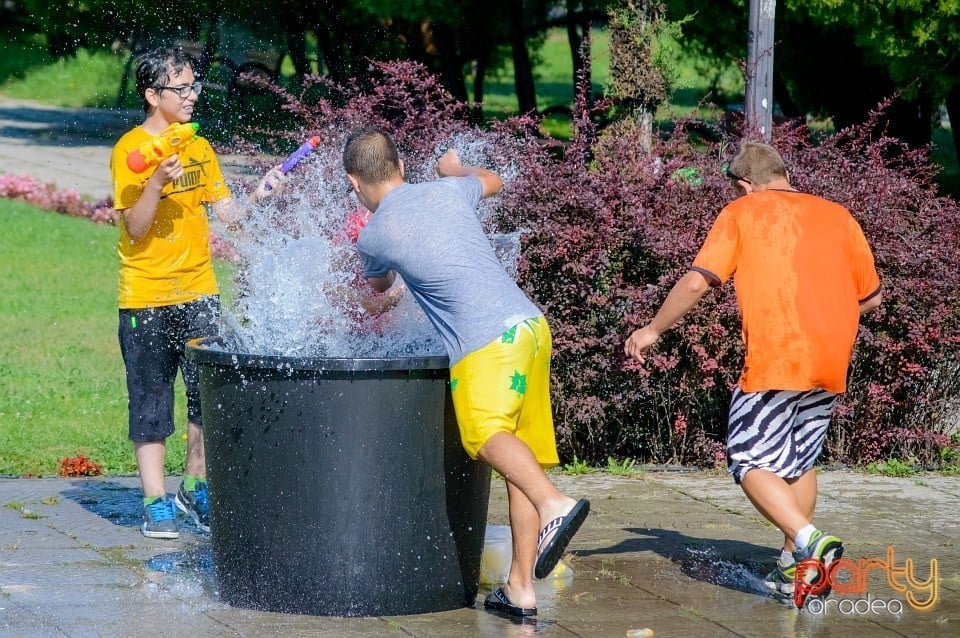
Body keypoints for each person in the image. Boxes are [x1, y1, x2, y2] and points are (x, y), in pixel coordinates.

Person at [343, 127, 590, 618]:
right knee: (520, 458)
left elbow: (378, 288)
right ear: (403, 167)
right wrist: (454, 169)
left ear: (354, 183)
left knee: (485, 438)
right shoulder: (448, 188)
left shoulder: (373, 233)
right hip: (529, 328)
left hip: (484, 344)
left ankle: (554, 505)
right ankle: (520, 587)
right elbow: (493, 180)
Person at [624, 141, 882, 608]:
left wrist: (652, 329)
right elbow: (871, 297)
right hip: (831, 355)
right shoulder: (838, 215)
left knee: (747, 457)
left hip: (779, 354)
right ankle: (797, 568)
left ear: (745, 185)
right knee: (799, 461)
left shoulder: (743, 211)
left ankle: (809, 540)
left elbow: (698, 279)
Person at [110, 46, 281, 540]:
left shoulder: (199, 149)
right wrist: (155, 185)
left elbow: (228, 217)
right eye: (180, 89)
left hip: (199, 290)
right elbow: (135, 230)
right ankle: (155, 501)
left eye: (193, 87)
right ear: (152, 94)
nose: (191, 96)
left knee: (206, 397)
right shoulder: (131, 151)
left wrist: (257, 196)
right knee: (150, 400)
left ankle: (193, 486)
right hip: (145, 295)